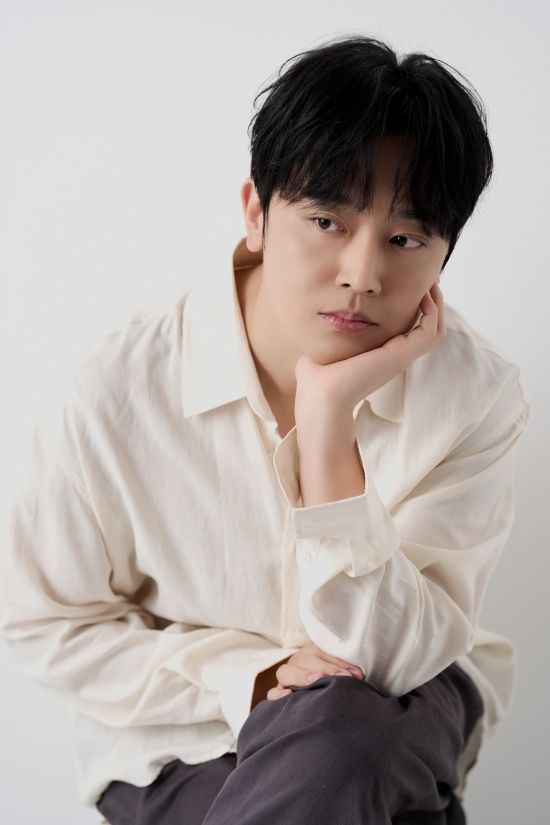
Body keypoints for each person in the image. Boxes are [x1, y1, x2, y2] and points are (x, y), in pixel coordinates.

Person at [0, 34, 530, 824]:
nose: (362, 274)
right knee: (344, 767)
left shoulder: (473, 394)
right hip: (179, 733)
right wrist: (249, 677)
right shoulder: (117, 388)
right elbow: (45, 619)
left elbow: (391, 656)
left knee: (347, 730)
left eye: (405, 239)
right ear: (256, 212)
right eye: (326, 220)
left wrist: (327, 429)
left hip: (409, 696)